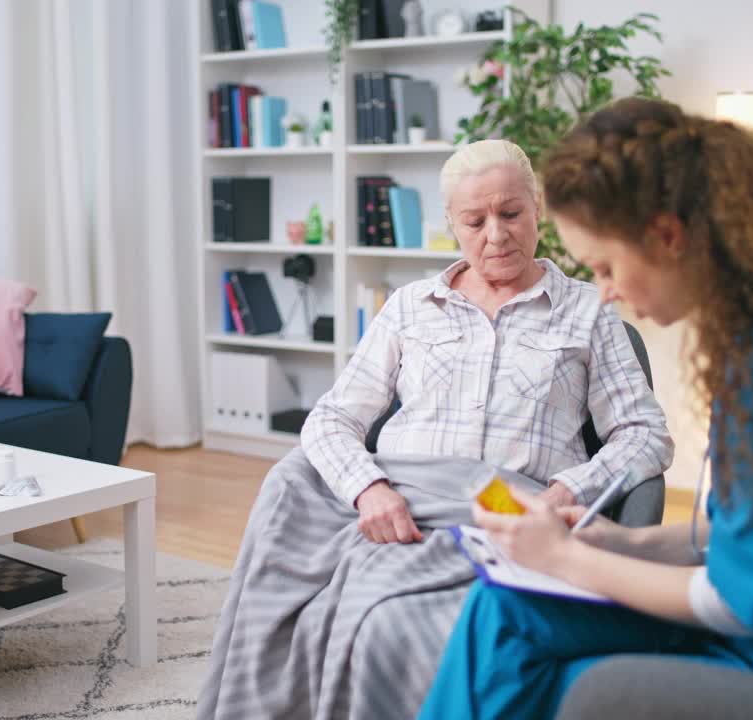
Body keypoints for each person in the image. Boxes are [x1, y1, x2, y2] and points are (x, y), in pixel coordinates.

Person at [419, 97, 753, 720]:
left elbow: (746, 602)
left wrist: (569, 558)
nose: (606, 292)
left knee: (515, 639)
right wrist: (628, 541)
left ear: (668, 238)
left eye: (605, 266)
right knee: (503, 613)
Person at [197, 139, 674, 719]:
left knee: (378, 621)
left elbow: (645, 432)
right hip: (389, 495)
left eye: (511, 213)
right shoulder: (409, 305)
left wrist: (568, 491)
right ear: (451, 224)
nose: (496, 235)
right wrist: (368, 489)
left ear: (538, 207)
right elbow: (332, 418)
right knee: (287, 489)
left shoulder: (588, 310)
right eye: (475, 221)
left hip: (498, 505)